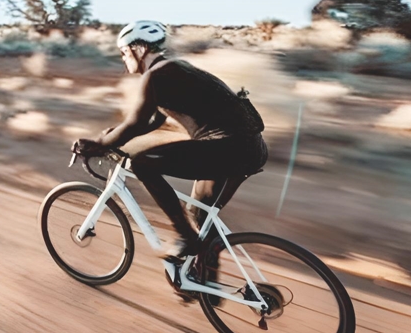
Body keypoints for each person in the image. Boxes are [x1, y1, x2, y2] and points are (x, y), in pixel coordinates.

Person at [74, 20, 268, 261]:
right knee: (200, 213)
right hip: (249, 147)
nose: (124, 59)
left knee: (143, 164)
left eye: (124, 52)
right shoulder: (177, 68)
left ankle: (185, 235)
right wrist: (110, 137)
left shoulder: (155, 76)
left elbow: (136, 123)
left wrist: (99, 145)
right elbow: (151, 121)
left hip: (226, 147)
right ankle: (204, 279)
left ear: (140, 49)